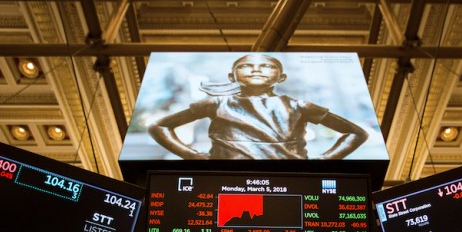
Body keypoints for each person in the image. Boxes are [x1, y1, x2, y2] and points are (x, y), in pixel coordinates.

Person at [147, 54, 369, 160]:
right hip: (225, 178)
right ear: (231, 76)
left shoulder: (299, 106)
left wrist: (322, 161)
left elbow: (357, 133)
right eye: (246, 66)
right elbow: (158, 126)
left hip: (288, 179)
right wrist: (193, 156)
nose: (256, 70)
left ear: (281, 77)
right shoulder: (216, 103)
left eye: (267, 66)